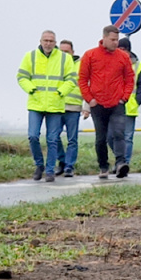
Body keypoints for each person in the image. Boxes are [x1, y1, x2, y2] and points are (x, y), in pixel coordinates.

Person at [16, 30, 75, 181]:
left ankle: (49, 171)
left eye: (51, 41)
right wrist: (31, 89)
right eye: (45, 40)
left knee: (52, 139)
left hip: (55, 104)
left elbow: (72, 79)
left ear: (55, 43)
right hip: (36, 103)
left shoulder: (64, 58)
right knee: (33, 136)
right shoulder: (31, 56)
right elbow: (21, 76)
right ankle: (39, 165)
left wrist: (61, 92)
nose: (48, 43)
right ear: (41, 41)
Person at [78, 25, 134, 179]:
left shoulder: (123, 57)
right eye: (112, 40)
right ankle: (103, 166)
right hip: (98, 104)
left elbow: (130, 78)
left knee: (118, 133)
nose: (116, 43)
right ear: (104, 38)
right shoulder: (90, 55)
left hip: (117, 103)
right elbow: (82, 80)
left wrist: (124, 97)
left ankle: (121, 163)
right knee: (101, 138)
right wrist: (90, 100)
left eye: (117, 39)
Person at [55, 40, 89, 178]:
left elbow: (87, 85)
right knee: (53, 137)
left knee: (72, 139)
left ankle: (69, 166)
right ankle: (62, 162)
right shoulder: (54, 64)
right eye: (61, 51)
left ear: (73, 52)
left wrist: (86, 107)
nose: (64, 54)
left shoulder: (81, 65)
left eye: (67, 51)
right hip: (56, 107)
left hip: (74, 107)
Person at [118, 36, 141, 168]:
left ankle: (125, 163)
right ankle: (119, 161)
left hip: (130, 107)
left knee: (128, 137)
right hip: (114, 105)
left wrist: (136, 102)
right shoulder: (113, 62)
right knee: (112, 136)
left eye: (123, 49)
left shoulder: (139, 66)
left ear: (128, 50)